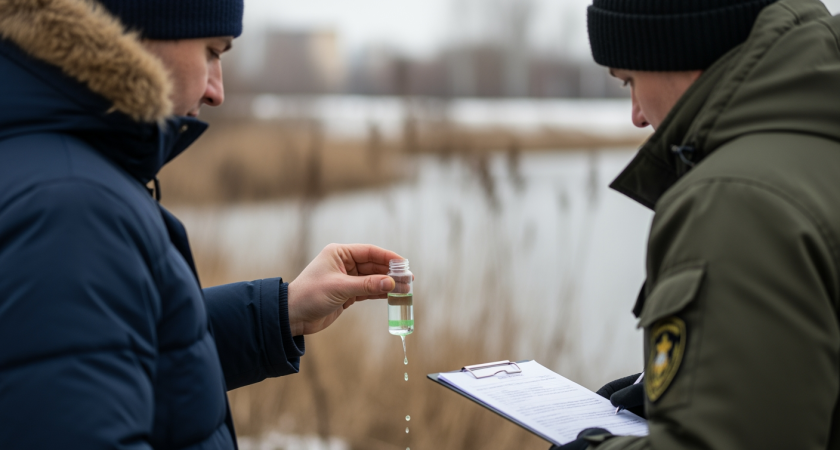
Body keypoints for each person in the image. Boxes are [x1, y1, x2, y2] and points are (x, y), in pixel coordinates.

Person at [0, 0, 402, 448]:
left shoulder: (55, 170)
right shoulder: (71, 207)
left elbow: (112, 350)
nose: (216, 91)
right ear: (136, 33)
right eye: (212, 51)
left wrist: (278, 313)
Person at [553, 0, 840, 448]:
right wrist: (690, 383)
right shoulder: (819, 142)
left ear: (678, 49)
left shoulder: (735, 196)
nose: (637, 115)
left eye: (630, 80)